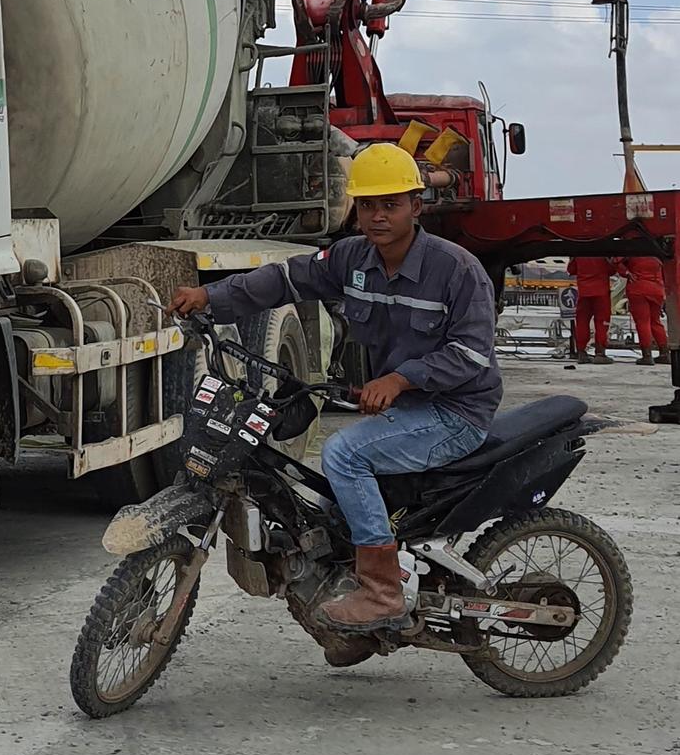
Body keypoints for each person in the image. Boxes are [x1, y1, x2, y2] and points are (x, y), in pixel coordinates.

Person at [104, 142, 500, 645]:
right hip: (402, 409)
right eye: (368, 205)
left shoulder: (458, 271)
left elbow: (471, 354)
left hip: (453, 411)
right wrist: (210, 296)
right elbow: (284, 280)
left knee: (344, 454)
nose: (378, 216)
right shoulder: (352, 257)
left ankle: (381, 591)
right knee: (315, 493)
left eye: (391, 204)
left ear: (416, 207)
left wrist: (400, 379)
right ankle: (343, 604)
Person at [619, 256, 667, 366]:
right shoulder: (657, 254)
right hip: (657, 289)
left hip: (638, 288)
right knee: (655, 321)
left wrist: (626, 272)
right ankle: (664, 353)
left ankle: (647, 355)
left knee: (643, 322)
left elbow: (616, 262)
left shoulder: (632, 251)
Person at [568, 255, 617, 364]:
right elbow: (612, 270)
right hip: (601, 293)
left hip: (584, 292)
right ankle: (600, 353)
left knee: (582, 322)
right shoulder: (603, 253)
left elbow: (571, 270)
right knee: (602, 323)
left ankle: (581, 352)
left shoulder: (578, 254)